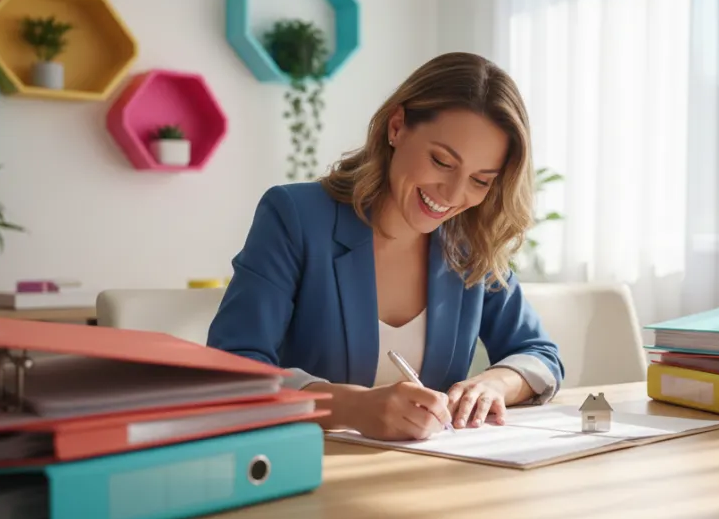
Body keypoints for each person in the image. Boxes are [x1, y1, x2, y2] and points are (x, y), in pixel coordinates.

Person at [207, 52, 565, 442]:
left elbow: (539, 355)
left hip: (433, 477)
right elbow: (233, 368)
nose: (454, 194)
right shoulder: (295, 215)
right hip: (306, 471)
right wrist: (350, 407)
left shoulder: (469, 241)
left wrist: (497, 383)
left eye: (480, 180)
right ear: (397, 127)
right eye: (442, 161)